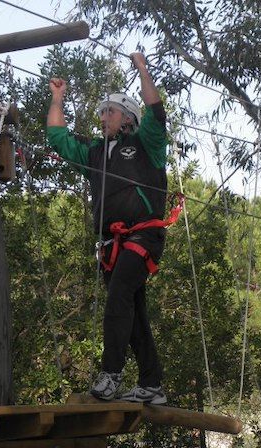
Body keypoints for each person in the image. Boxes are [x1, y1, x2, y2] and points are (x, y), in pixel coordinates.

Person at [46, 52, 169, 405]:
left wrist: (143, 69)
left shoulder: (147, 145)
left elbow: (156, 112)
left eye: (109, 111)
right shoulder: (95, 153)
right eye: (101, 112)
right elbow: (58, 136)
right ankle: (151, 383)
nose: (102, 117)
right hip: (112, 243)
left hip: (143, 235)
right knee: (133, 314)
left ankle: (111, 374)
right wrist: (57, 98)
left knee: (118, 297)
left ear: (128, 118)